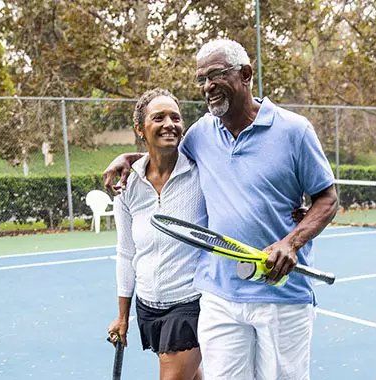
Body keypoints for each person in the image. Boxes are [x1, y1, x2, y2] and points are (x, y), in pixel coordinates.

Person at [103, 39, 339, 380]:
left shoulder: (295, 130)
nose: (207, 86)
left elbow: (328, 199)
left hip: (282, 295)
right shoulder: (200, 134)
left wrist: (292, 242)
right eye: (201, 79)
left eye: (215, 75)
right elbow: (163, 152)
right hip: (219, 296)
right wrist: (127, 159)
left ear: (245, 74)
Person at [107, 88, 206, 380]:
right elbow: (126, 254)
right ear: (140, 129)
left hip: (191, 302)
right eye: (158, 117)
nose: (169, 124)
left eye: (175, 117)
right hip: (148, 306)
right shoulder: (128, 185)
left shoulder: (202, 172)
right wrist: (123, 315)